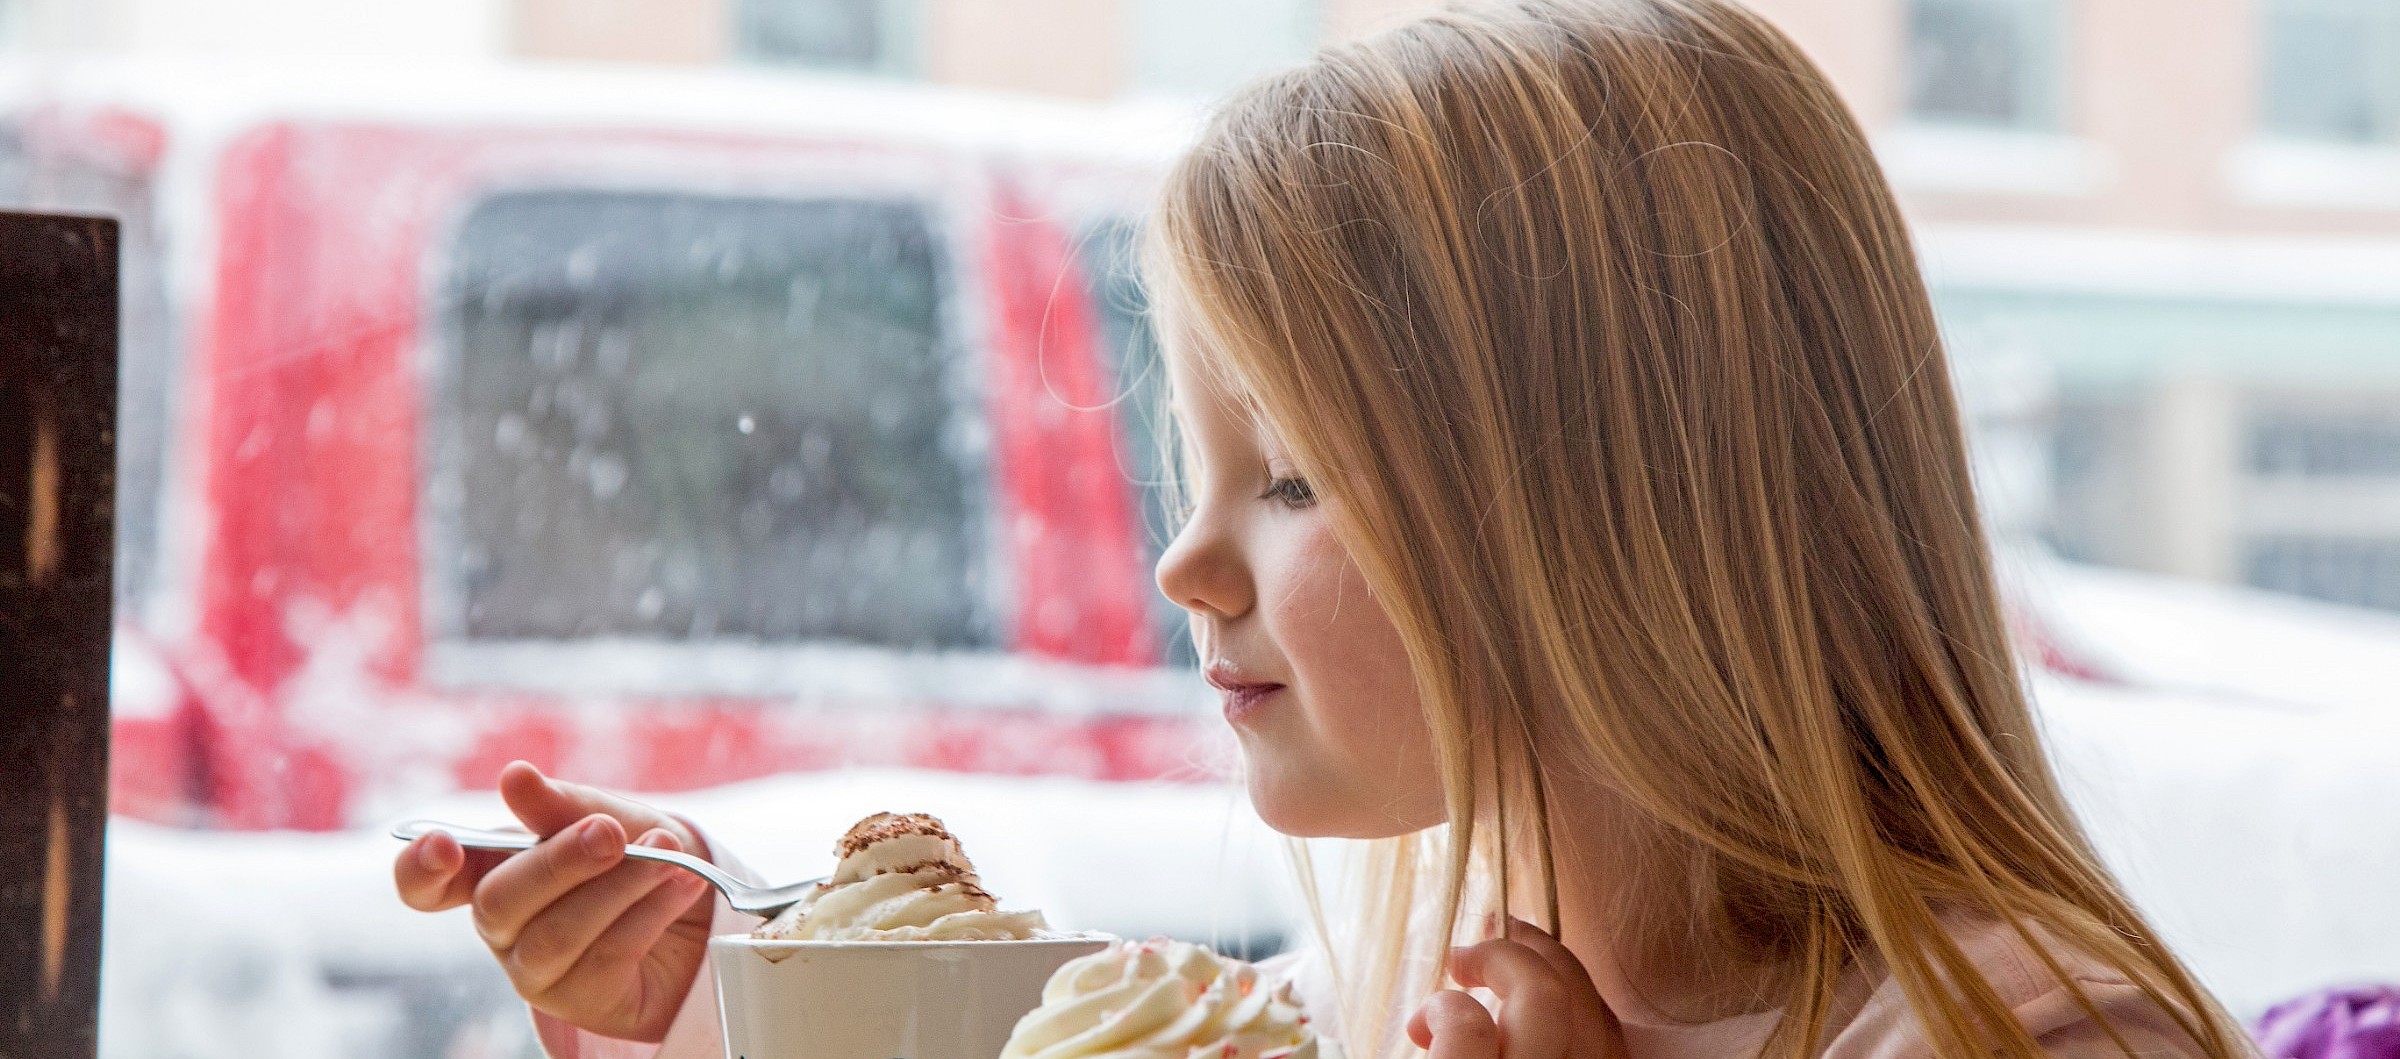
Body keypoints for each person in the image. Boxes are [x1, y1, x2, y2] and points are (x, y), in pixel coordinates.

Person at [396, 3, 2259, 1058]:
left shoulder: (2037, 1039)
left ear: (1613, 508)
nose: (1183, 568)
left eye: (1285, 481)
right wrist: (701, 1018)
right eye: (1192, 476)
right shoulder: (1356, 1012)